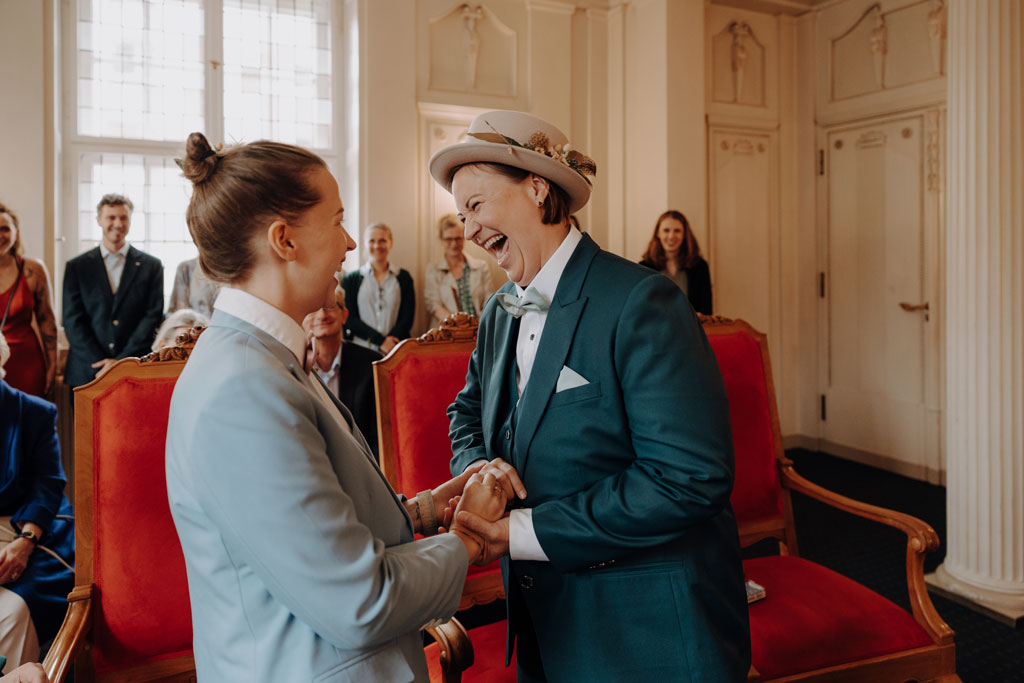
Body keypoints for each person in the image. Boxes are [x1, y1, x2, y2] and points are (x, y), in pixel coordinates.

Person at [166, 132, 508, 682]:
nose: (350, 242)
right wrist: (468, 539)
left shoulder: (263, 355)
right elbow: (360, 600)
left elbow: (314, 524)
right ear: (285, 240)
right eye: (337, 220)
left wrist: (419, 510)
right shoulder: (243, 389)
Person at [430, 110, 750, 682]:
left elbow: (688, 477)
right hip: (542, 619)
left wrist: (520, 533)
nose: (470, 231)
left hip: (642, 626)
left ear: (536, 188)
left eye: (476, 207)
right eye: (460, 215)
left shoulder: (641, 302)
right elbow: (467, 412)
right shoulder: (500, 313)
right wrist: (482, 472)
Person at [0, 332, 75, 671]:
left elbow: (49, 483)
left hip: (30, 525)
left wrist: (24, 542)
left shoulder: (33, 412)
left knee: (13, 611)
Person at [61, 194, 164, 388]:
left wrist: (121, 362)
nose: (118, 223)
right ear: (99, 220)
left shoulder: (152, 266)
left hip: (134, 368)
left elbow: (152, 316)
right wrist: (102, 362)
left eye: (123, 218)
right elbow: (72, 319)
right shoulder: (77, 266)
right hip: (87, 370)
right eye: (111, 217)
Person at [302, 285, 382, 457]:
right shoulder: (295, 365)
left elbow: (379, 438)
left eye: (330, 307)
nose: (322, 315)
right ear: (304, 318)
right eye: (314, 309)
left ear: (344, 315)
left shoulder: (373, 363)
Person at [0, 204, 56, 399]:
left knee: (27, 425)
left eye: (5, 229)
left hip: (27, 365)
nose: (0, 235)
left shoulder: (33, 270)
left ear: (16, 232)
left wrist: (52, 367)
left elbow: (48, 322)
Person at [341, 223, 414, 354]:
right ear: (365, 244)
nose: (377, 246)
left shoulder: (403, 277)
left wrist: (390, 343)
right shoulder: (351, 279)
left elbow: (407, 317)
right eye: (372, 241)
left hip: (396, 349)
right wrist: (381, 341)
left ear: (391, 243)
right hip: (361, 350)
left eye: (382, 241)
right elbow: (349, 318)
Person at [424, 214, 493, 328]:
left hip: (479, 330)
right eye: (448, 239)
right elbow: (434, 305)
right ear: (441, 240)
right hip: (447, 333)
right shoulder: (433, 270)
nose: (454, 244)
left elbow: (489, 300)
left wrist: (477, 326)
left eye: (458, 238)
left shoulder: (481, 267)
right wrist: (459, 326)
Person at [639, 210, 713, 315]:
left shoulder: (700, 266)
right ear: (658, 233)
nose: (671, 236)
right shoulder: (643, 267)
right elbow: (641, 309)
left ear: (684, 235)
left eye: (677, 231)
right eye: (666, 230)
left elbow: (706, 311)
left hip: (691, 329)